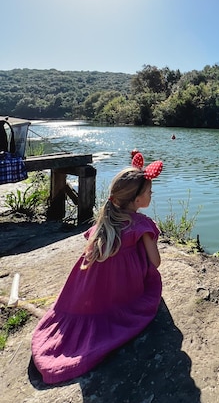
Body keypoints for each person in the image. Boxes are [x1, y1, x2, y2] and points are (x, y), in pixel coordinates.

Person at [31, 152, 164, 384]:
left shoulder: (104, 223)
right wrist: (151, 240)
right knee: (148, 286)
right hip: (121, 289)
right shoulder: (141, 224)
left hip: (89, 291)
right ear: (136, 201)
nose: (151, 195)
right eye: (149, 193)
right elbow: (156, 262)